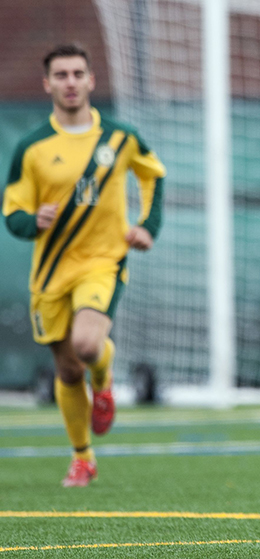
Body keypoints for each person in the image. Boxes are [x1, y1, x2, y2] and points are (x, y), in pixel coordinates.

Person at [2, 44, 166, 487]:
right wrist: (30, 221)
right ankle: (82, 457)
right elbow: (12, 212)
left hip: (103, 261)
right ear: (48, 84)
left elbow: (153, 173)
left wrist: (147, 224)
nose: (70, 82)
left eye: (78, 73)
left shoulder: (119, 138)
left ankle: (105, 375)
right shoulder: (32, 147)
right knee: (68, 369)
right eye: (61, 75)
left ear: (92, 80)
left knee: (88, 345)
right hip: (51, 272)